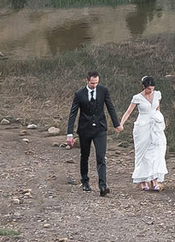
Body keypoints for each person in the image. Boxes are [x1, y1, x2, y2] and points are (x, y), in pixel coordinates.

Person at [63, 69, 117, 197]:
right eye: (92, 83)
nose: (95, 85)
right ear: (87, 81)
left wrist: (116, 124)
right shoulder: (79, 94)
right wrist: (69, 133)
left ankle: (103, 186)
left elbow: (110, 106)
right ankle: (85, 181)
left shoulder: (103, 91)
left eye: (96, 83)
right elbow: (73, 113)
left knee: (101, 156)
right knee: (85, 155)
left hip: (100, 128)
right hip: (85, 129)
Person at [117, 76, 167, 192]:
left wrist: (160, 121)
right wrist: (121, 124)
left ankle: (154, 180)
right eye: (148, 89)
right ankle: (143, 181)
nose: (151, 91)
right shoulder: (137, 98)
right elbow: (128, 112)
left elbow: (157, 109)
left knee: (156, 152)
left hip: (155, 126)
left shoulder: (157, 94)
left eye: (152, 89)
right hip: (142, 126)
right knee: (142, 153)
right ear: (143, 87)